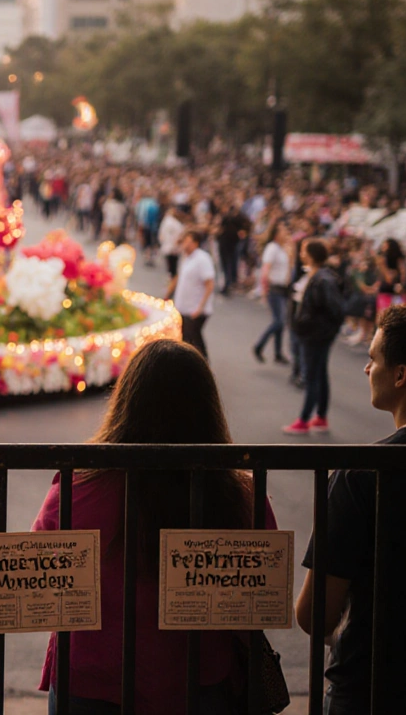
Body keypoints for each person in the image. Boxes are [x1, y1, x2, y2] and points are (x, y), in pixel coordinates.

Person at [34, 339, 277, 715]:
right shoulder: (243, 495)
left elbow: (42, 584)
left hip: (93, 682)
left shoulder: (75, 490)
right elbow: (260, 595)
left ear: (125, 402)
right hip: (202, 683)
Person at [296, 304, 406, 713]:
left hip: (373, 687)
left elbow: (315, 614)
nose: (366, 369)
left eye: (372, 359)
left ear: (401, 375)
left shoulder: (361, 473)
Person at [285, 239, 344, 434]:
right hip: (312, 334)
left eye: (303, 250)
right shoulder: (314, 275)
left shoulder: (322, 279)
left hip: (315, 336)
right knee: (319, 374)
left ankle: (304, 419)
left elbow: (335, 310)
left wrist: (323, 330)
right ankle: (320, 417)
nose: (301, 253)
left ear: (310, 254)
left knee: (311, 376)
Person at [167, 228, 216, 359]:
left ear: (195, 243)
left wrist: (200, 307)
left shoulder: (202, 259)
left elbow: (209, 284)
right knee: (186, 339)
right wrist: (168, 293)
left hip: (194, 310)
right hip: (184, 308)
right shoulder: (186, 257)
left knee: (193, 340)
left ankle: (203, 363)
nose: (184, 244)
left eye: (187, 241)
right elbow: (179, 276)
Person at [253, 221, 292, 364]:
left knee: (280, 322)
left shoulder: (283, 249)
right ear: (276, 234)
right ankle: (259, 345)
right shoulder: (272, 248)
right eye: (282, 231)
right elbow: (266, 270)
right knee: (279, 321)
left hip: (282, 288)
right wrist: (264, 289)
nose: (285, 233)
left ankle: (278, 352)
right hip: (274, 288)